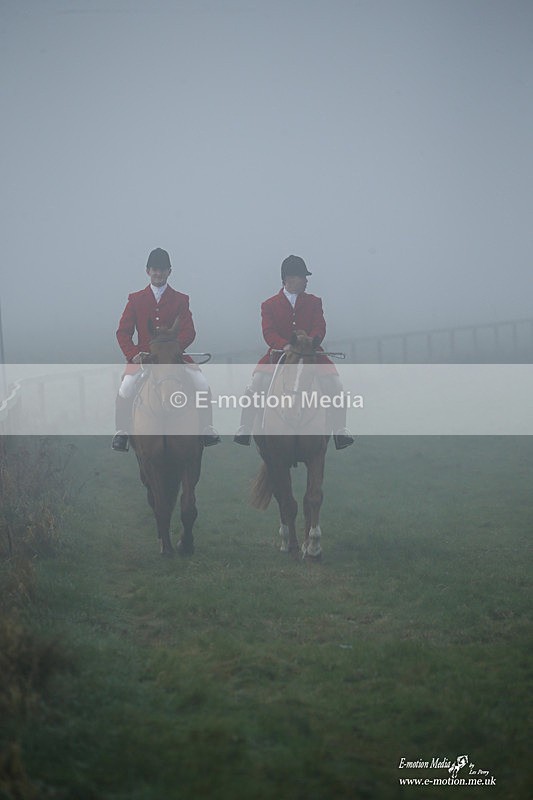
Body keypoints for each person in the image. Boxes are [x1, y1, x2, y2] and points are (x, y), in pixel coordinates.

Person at [234, 255, 354, 449]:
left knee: (335, 384)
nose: (306, 280)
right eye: (302, 277)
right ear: (288, 279)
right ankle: (245, 427)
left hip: (310, 354)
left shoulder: (315, 302)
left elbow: (319, 327)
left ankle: (340, 430)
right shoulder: (269, 305)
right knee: (257, 383)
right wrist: (284, 345)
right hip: (280, 354)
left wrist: (311, 342)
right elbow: (268, 332)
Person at [112, 247, 220, 451]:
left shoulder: (181, 299)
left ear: (170, 271)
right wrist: (133, 354)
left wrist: (174, 349)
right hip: (145, 360)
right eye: (154, 269)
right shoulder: (135, 299)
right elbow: (123, 332)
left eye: (162, 270)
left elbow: (189, 331)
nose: (158, 273)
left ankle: (206, 428)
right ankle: (122, 432)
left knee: (202, 383)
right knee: (126, 387)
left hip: (174, 358)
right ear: (147, 271)